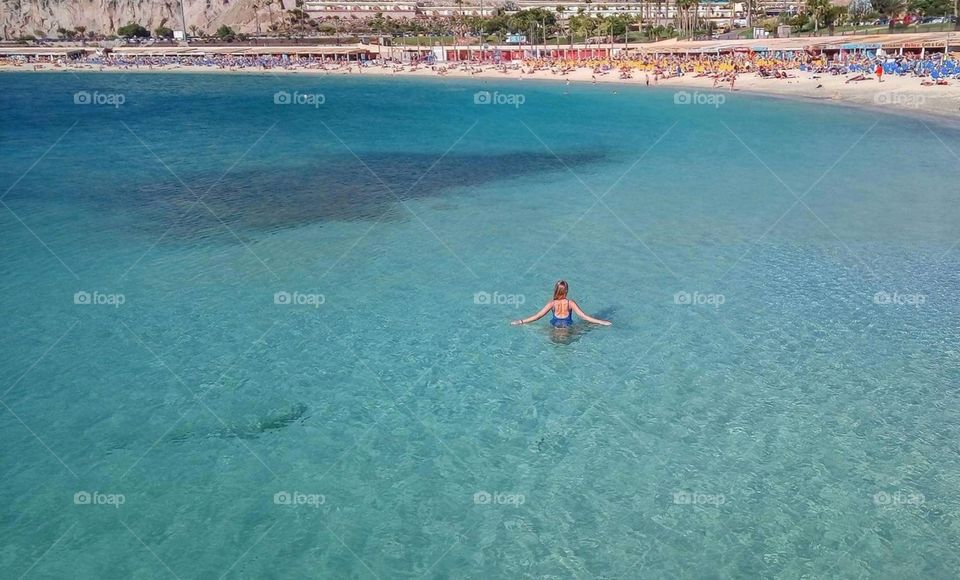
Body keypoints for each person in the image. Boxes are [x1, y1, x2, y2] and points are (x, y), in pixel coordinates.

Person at [511, 280, 611, 327]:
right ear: (566, 291)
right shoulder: (570, 303)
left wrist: (521, 321)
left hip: (555, 329)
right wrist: (601, 322)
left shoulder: (552, 304)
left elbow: (538, 316)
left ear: (556, 290)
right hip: (568, 329)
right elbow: (583, 316)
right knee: (586, 325)